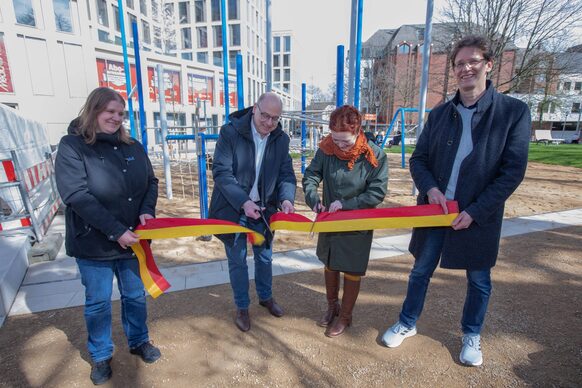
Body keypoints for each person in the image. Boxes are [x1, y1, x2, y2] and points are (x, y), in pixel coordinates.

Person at [381, 35, 531, 366]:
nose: (465, 68)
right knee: (420, 270)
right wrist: (431, 189)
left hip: (478, 215)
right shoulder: (440, 114)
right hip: (435, 211)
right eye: (459, 63)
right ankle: (407, 322)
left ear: (488, 64)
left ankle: (471, 334)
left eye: (472, 61)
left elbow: (512, 172)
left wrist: (476, 211)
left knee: (479, 280)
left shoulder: (513, 113)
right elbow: (418, 159)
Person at [55, 87, 161, 385]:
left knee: (135, 296)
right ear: (94, 111)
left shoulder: (133, 146)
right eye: (109, 112)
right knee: (98, 303)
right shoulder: (72, 146)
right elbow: (76, 195)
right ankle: (101, 355)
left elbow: (150, 181)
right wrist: (116, 231)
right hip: (94, 244)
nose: (115, 118)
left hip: (133, 241)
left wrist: (147, 210)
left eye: (120, 113)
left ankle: (139, 341)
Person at [209, 92, 296, 332]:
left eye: (275, 119)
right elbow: (222, 173)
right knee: (237, 261)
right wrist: (244, 201)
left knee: (265, 256)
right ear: (254, 108)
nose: (268, 123)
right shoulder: (230, 133)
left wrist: (287, 199)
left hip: (264, 209)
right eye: (265, 116)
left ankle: (265, 297)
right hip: (232, 208)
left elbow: (286, 174)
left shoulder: (281, 139)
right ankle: (242, 307)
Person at [303, 105, 388, 337]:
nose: (339, 146)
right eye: (335, 139)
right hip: (330, 220)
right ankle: (333, 307)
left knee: (352, 268)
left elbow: (377, 192)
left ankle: (346, 316)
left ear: (358, 131)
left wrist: (348, 204)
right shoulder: (326, 149)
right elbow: (311, 175)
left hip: (356, 222)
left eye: (345, 142)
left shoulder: (374, 155)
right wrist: (314, 199)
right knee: (330, 263)